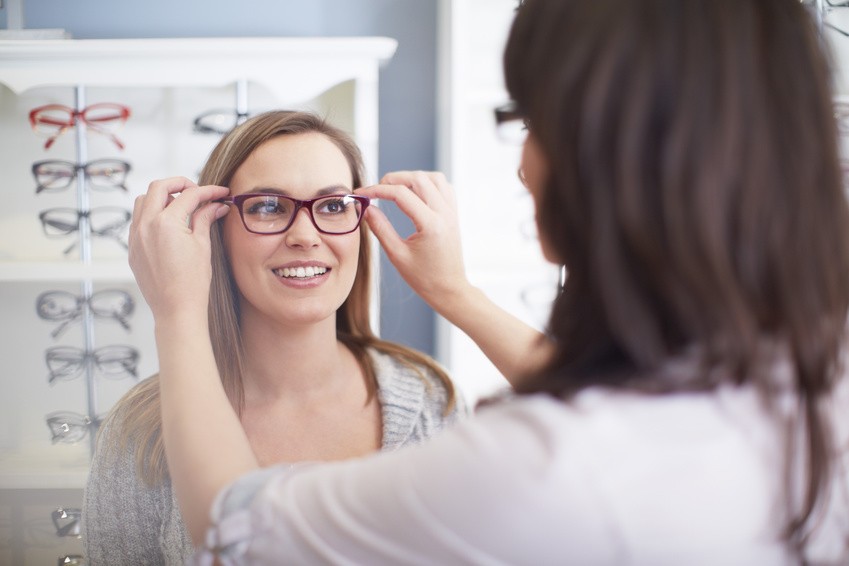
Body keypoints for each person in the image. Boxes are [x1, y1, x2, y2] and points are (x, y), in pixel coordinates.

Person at [128, 0, 849, 563]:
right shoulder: (812, 378)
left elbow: (231, 529)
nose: (519, 163)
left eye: (527, 122)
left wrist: (177, 315)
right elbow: (636, 409)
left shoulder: (514, 455)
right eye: (264, 206)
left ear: (601, 154)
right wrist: (456, 294)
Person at [81, 110, 466, 564]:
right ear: (214, 232)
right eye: (267, 206)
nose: (305, 236)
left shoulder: (431, 401)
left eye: (333, 206)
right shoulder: (143, 431)